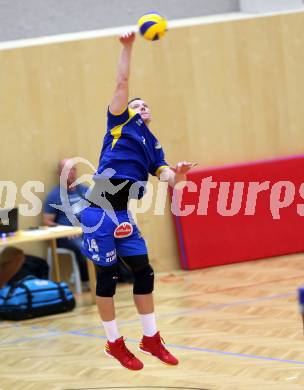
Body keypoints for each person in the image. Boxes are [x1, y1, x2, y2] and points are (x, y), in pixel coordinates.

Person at [80, 31, 195, 371]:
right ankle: (114, 342)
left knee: (144, 272)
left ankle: (150, 338)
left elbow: (168, 178)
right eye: (136, 103)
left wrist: (181, 173)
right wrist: (128, 47)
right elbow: (122, 81)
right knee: (106, 279)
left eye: (146, 105)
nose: (141, 106)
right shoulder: (119, 122)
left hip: (123, 210)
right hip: (100, 209)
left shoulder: (153, 144)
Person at [43, 158, 89, 285]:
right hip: (67, 237)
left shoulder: (85, 190)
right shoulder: (54, 195)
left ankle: (117, 276)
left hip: (87, 230)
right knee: (83, 246)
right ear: (59, 173)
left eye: (73, 169)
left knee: (108, 238)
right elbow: (47, 222)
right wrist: (66, 231)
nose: (71, 172)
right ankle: (87, 280)